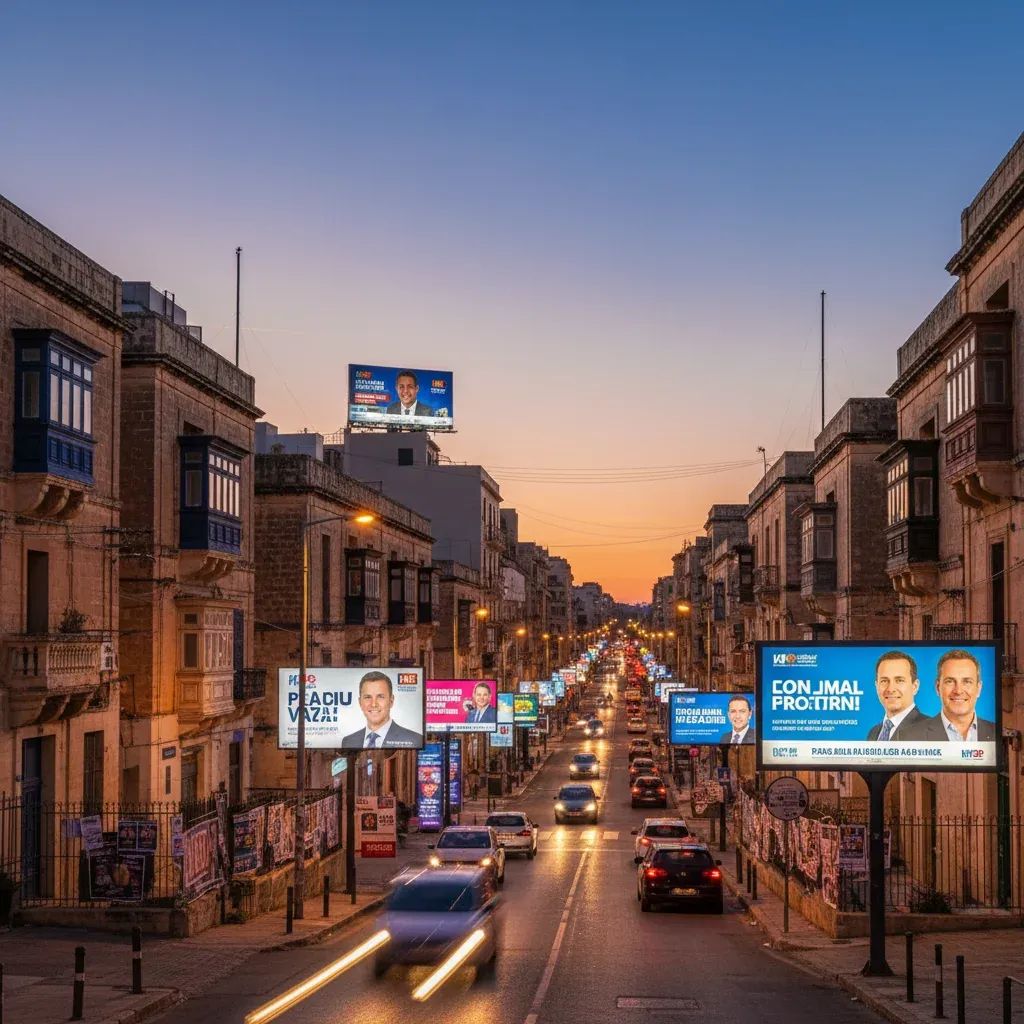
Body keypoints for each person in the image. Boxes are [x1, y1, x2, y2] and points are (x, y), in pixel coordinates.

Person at [903, 648, 997, 742]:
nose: (958, 691)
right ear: (937, 687)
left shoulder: (996, 732)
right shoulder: (909, 736)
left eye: (967, 681)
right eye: (950, 681)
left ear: (978, 689)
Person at [340, 670, 423, 749]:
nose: (373, 704)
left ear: (391, 701)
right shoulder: (348, 742)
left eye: (380, 697)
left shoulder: (415, 740)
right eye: (368, 697)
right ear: (360, 702)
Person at [866, 650, 928, 740]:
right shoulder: (873, 733)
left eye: (899, 680)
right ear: (876, 686)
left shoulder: (929, 729)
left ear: (915, 686)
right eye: (884, 681)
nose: (890, 689)